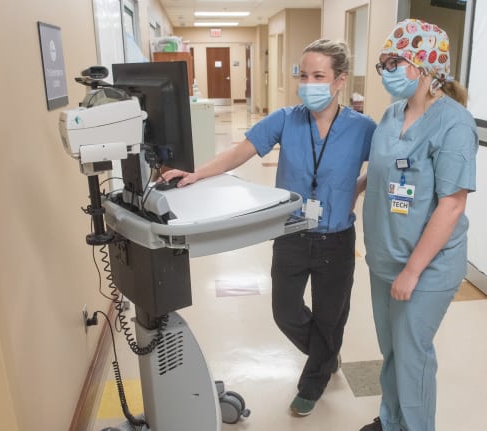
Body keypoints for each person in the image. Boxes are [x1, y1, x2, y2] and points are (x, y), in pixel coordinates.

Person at [160, 39, 376, 417]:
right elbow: (239, 152)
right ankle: (325, 355)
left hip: (337, 239)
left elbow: (385, 164)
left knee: (330, 314)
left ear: (339, 81)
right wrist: (196, 174)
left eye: (319, 76)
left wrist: (357, 188)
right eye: (303, 74)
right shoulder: (285, 119)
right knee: (285, 311)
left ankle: (313, 381)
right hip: (291, 233)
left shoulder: (363, 128)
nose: (308, 82)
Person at [357, 19, 478, 431]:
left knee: (412, 356)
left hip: (425, 267)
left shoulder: (454, 123)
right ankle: (391, 421)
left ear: (425, 66)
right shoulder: (392, 114)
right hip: (384, 257)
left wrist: (412, 270)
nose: (387, 69)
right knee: (391, 350)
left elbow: (451, 205)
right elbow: (384, 172)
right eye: (383, 62)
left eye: (396, 60)